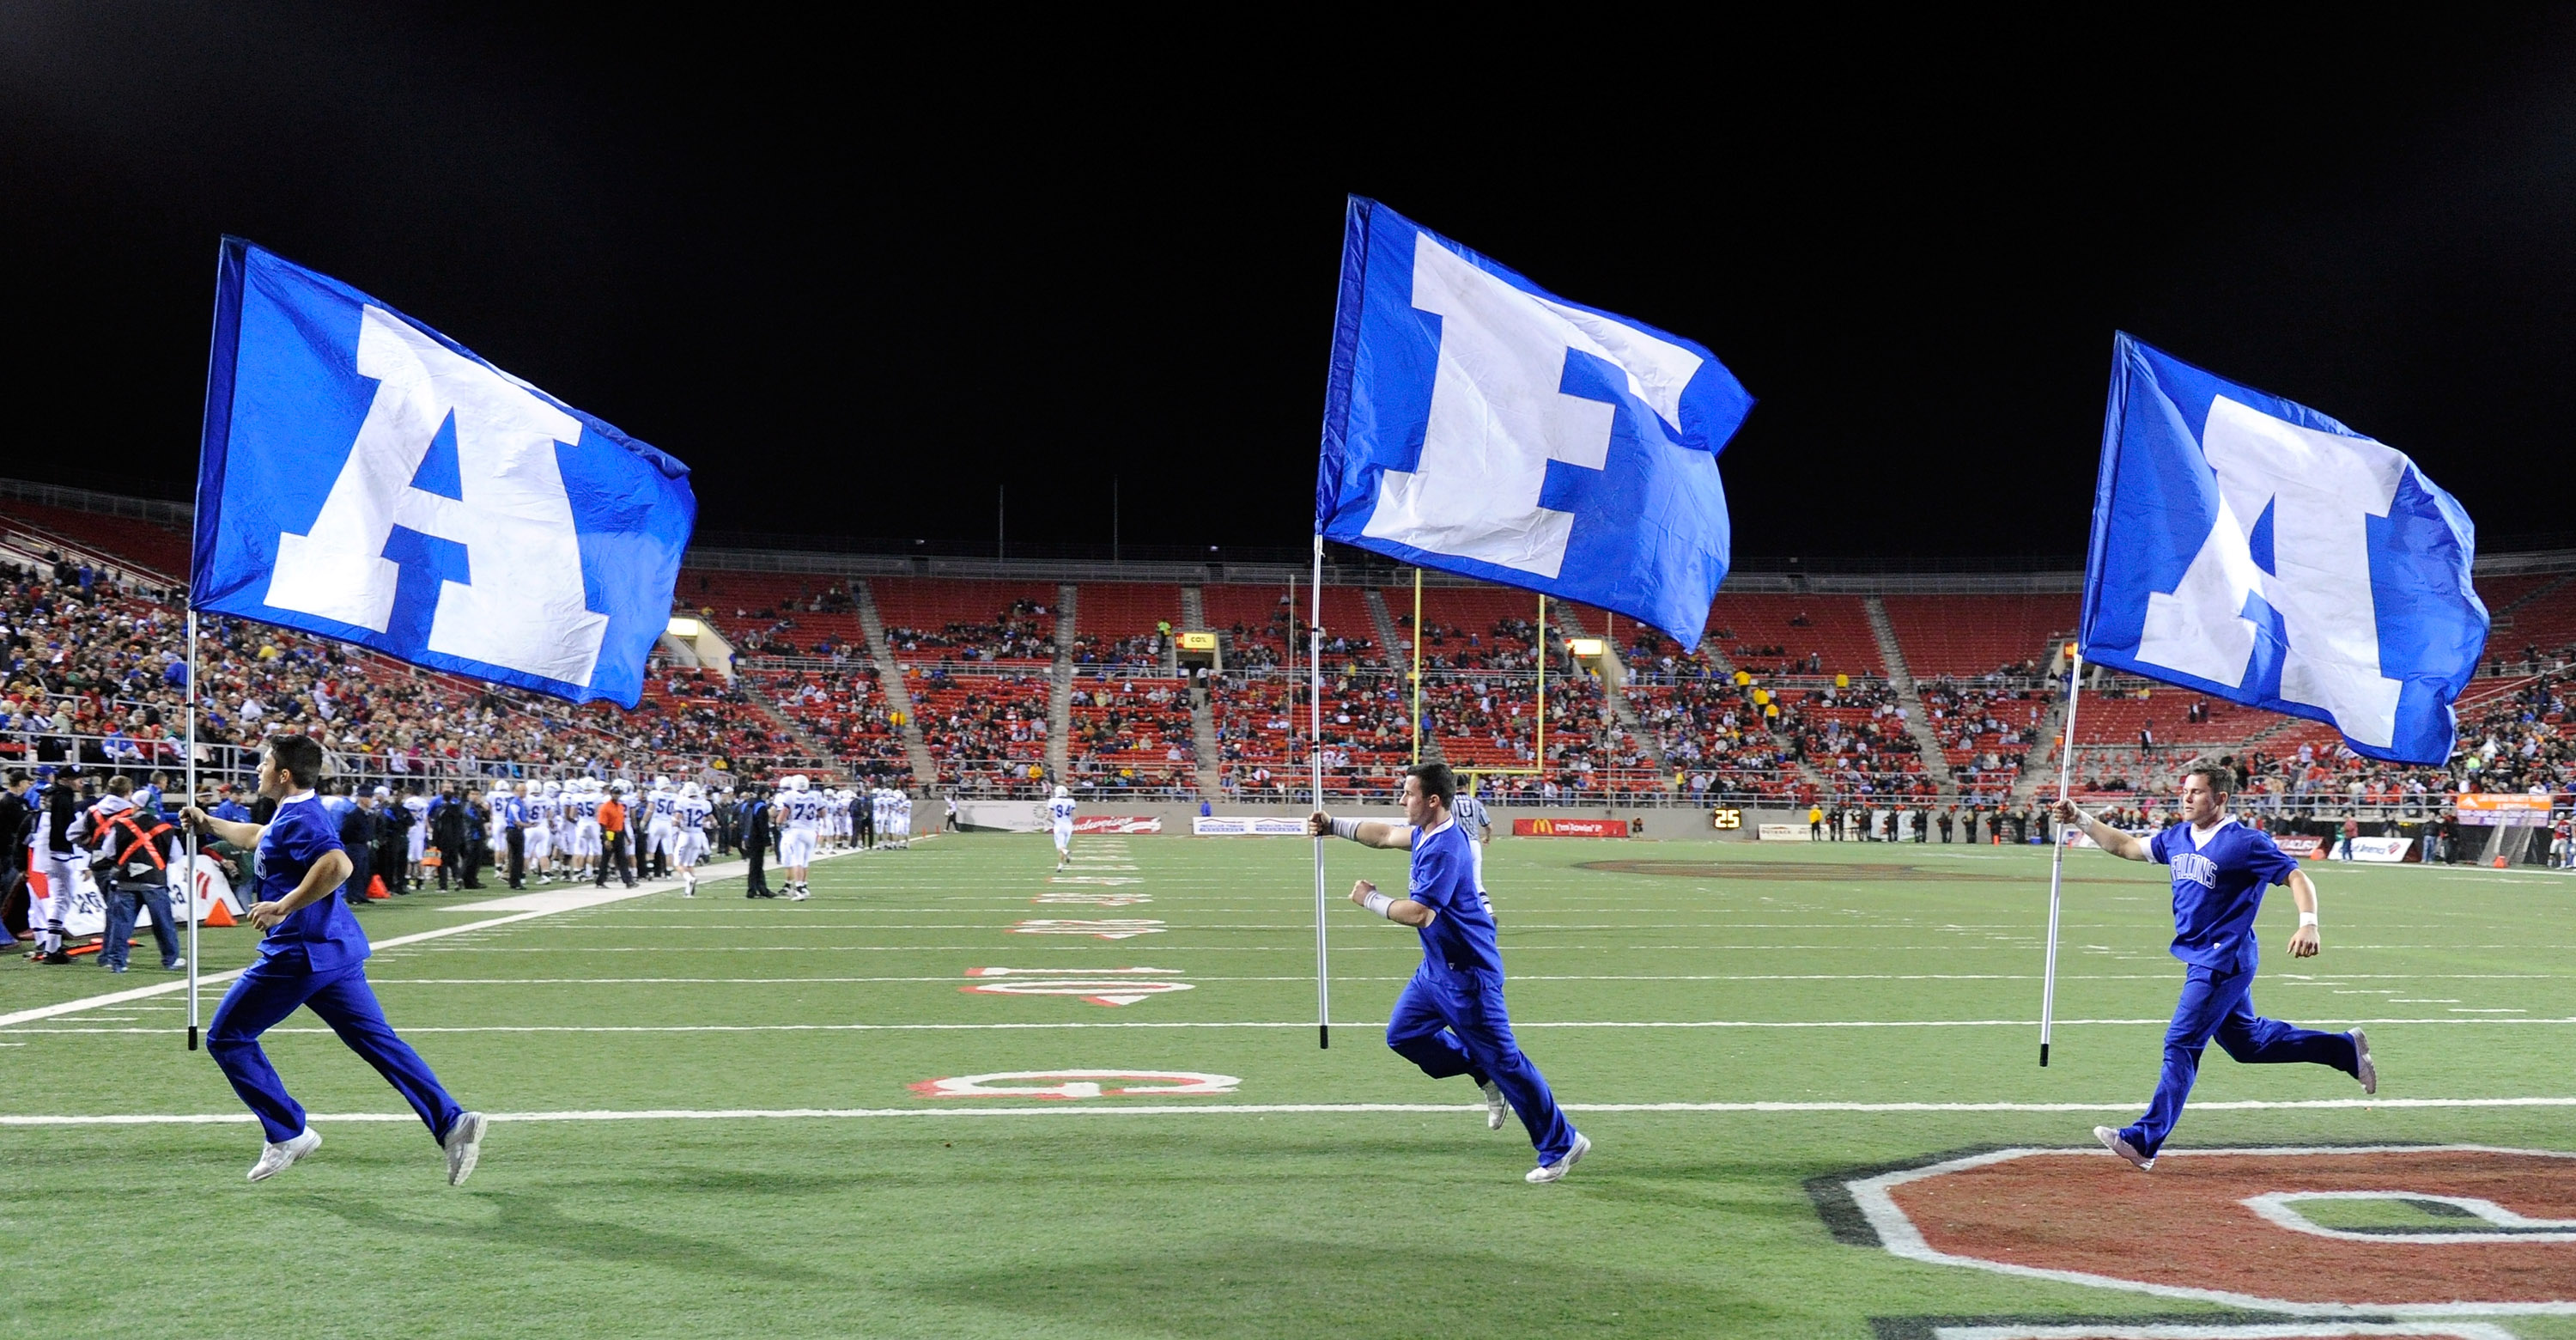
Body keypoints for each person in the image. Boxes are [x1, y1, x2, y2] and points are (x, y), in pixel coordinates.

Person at [180, 734, 488, 1185]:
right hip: (333, 951)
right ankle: (452, 1123)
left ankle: (288, 1133)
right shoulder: (292, 812)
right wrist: (209, 823)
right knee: (378, 1043)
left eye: (265, 763)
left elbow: (338, 866)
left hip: (298, 953)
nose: (259, 770)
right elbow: (256, 837)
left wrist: (283, 905)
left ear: (284, 774)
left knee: (228, 1038)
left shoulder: (304, 817)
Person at [2051, 761, 2373, 1172]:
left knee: (2181, 1042)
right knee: (2247, 1044)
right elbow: (2127, 847)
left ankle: (2145, 1140)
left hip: (2225, 958)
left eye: (2197, 792)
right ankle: (2344, 1050)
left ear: (2220, 798)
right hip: (2199, 955)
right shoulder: (2178, 836)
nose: (2186, 797)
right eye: (2185, 790)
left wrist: (2308, 924)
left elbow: (2297, 877)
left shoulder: (2245, 842)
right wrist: (2081, 818)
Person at [1308, 762, 1588, 1185]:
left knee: (1508, 1062)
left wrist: (1370, 899)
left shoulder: (1446, 847)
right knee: (1404, 1035)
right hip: (1435, 970)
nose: (1402, 801)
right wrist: (1333, 825)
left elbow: (1420, 914)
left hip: (1468, 975)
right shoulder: (1425, 832)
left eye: (1409, 794)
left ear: (1433, 800)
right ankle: (1480, 1071)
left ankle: (1562, 1143)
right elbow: (1382, 836)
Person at [90, 776, 184, 973]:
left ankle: (118, 963)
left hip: (126, 881)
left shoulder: (122, 824)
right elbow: (176, 856)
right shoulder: (165, 829)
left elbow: (108, 851)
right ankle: (170, 960)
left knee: (121, 924)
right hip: (154, 882)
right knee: (163, 923)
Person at [774, 775, 818, 900]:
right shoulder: (814, 795)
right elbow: (822, 812)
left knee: (794, 861)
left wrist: (778, 823)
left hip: (794, 832)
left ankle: (799, 888)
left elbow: (780, 816)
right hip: (810, 831)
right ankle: (802, 886)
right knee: (803, 861)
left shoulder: (789, 797)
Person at [596, 784, 635, 888]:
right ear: (611, 794)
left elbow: (621, 823)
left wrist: (626, 836)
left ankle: (628, 881)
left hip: (619, 833)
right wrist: (606, 839)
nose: (616, 796)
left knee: (622, 858)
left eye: (618, 794)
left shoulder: (620, 807)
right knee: (606, 859)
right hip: (610, 833)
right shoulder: (606, 807)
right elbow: (603, 824)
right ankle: (600, 880)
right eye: (614, 793)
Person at [741, 786, 775, 898]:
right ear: (764, 794)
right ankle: (752, 889)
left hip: (748, 836)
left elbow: (743, 822)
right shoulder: (761, 806)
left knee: (756, 864)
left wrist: (743, 837)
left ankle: (762, 888)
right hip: (757, 838)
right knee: (756, 864)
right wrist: (768, 841)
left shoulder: (746, 805)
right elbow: (763, 826)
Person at [1048, 784, 1076, 871]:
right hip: (1068, 826)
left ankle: (1066, 852)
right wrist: (1070, 822)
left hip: (1059, 825)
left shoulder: (1053, 801)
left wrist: (1055, 823)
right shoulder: (1071, 801)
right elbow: (1076, 816)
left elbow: (1048, 817)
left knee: (1060, 847)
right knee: (1063, 846)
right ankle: (1060, 866)